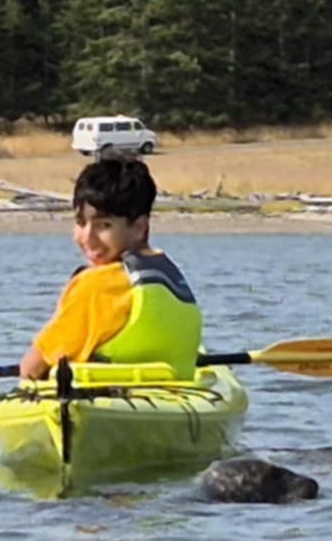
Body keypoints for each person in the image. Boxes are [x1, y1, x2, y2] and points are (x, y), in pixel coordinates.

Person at [17, 156, 203, 381]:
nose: (87, 237)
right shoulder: (168, 274)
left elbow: (31, 370)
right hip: (175, 387)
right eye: (81, 223)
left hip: (108, 396)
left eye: (104, 225)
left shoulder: (96, 285)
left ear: (139, 227)